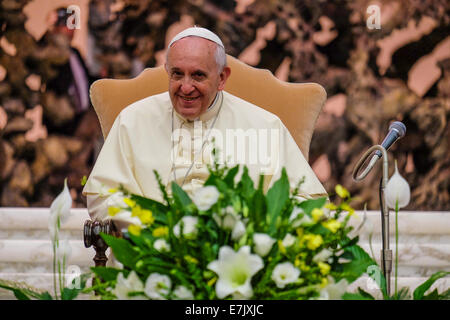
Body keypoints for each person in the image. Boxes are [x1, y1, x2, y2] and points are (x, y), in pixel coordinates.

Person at [82, 27, 327, 225]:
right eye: (177, 74)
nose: (186, 87)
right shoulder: (132, 120)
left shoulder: (264, 125)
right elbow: (102, 195)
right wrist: (150, 230)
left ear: (222, 78)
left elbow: (307, 200)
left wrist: (252, 232)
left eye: (198, 75)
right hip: (150, 260)